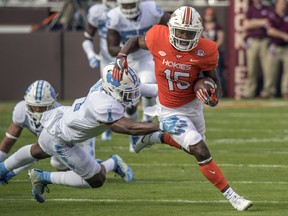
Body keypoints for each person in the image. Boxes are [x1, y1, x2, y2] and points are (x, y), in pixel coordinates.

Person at [112, 6, 253, 211]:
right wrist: (122, 55)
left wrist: (214, 99)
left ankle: (154, 136)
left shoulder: (206, 50)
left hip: (192, 105)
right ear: (170, 29)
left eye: (189, 33)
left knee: (194, 146)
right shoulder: (157, 37)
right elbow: (134, 41)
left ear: (198, 32)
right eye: (180, 31)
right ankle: (233, 197)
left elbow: (214, 80)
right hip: (167, 108)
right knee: (199, 149)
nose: (184, 37)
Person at [0, 64, 187, 203]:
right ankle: (42, 177)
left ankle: (4, 169)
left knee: (38, 150)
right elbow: (127, 127)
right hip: (61, 138)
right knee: (96, 179)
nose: (131, 97)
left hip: (64, 119)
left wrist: (185, 91)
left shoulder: (111, 85)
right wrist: (160, 125)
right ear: (112, 90)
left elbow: (150, 89)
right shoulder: (103, 103)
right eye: (126, 93)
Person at [0, 80, 133, 185]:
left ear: (52, 104)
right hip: (59, 143)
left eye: (42, 107)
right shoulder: (20, 110)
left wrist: (13, 170)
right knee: (60, 165)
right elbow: (11, 140)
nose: (37, 111)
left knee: (91, 175)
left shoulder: (56, 114)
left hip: (81, 137)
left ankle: (113, 162)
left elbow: (39, 151)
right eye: (33, 106)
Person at [106, 0, 171, 152]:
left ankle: (147, 120)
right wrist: (136, 44)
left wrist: (161, 41)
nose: (128, 8)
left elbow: (171, 24)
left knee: (148, 85)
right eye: (125, 5)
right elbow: (111, 49)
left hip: (148, 56)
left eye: (131, 4)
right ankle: (134, 135)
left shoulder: (151, 8)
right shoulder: (114, 16)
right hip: (127, 58)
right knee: (130, 102)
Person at [82, 0, 118, 142]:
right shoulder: (97, 12)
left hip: (130, 57)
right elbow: (87, 37)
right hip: (106, 58)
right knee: (108, 96)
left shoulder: (129, 10)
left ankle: (144, 121)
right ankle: (108, 127)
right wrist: (91, 54)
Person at [243, 0, 273, 99]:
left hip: (265, 41)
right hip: (253, 41)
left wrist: (254, 22)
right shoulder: (250, 9)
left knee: (267, 68)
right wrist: (261, 22)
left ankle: (267, 92)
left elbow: (269, 23)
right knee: (252, 69)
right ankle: (250, 92)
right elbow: (246, 24)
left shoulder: (268, 8)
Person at [261, 0, 288, 99]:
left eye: (284, 4)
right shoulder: (272, 16)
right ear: (276, 5)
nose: (283, 6)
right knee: (271, 71)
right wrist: (283, 35)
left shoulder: (286, 16)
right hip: (275, 47)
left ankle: (286, 92)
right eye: (281, 4)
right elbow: (270, 31)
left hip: (286, 47)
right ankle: (269, 91)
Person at [202, 6, 226, 97]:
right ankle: (204, 92)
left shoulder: (217, 27)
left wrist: (211, 49)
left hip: (214, 53)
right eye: (207, 14)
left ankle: (218, 93)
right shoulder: (201, 26)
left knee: (217, 73)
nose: (209, 16)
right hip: (202, 54)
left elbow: (221, 39)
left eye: (210, 15)